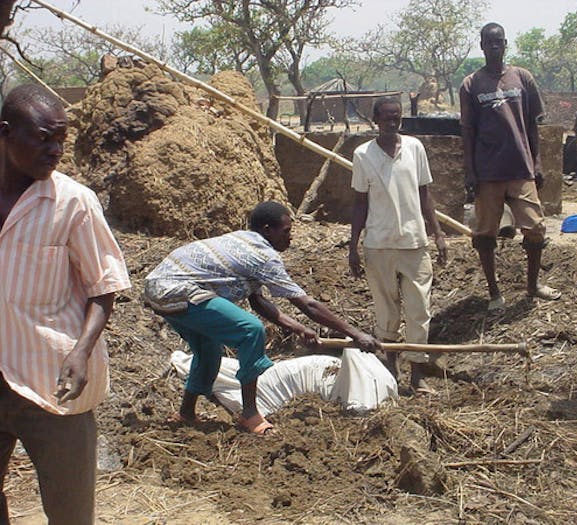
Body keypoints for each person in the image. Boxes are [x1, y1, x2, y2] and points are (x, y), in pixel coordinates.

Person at [0, 84, 131, 524]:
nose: (56, 150)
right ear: (6, 132)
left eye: (62, 139)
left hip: (51, 383)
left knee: (70, 511)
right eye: (44, 138)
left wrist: (81, 351)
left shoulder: (74, 202)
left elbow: (104, 285)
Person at [144, 201, 381, 434]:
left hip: (158, 288)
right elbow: (308, 304)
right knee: (251, 330)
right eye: (286, 231)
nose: (291, 237)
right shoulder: (263, 255)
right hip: (178, 290)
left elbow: (258, 301)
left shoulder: (242, 241)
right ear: (268, 230)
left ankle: (186, 413)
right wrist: (356, 334)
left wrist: (298, 328)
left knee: (208, 350)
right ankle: (249, 414)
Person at [349, 97, 447, 393]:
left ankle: (417, 376)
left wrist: (438, 234)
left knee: (419, 310)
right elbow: (360, 202)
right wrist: (353, 245)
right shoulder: (363, 155)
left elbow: (425, 195)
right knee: (386, 311)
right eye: (387, 117)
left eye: (397, 117)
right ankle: (391, 371)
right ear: (375, 120)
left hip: (414, 243)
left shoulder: (414, 148)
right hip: (378, 245)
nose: (393, 122)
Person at [460, 22, 560, 311]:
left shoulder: (522, 79)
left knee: (536, 228)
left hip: (520, 168)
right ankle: (494, 295)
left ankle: (532, 286)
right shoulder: (470, 84)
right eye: (489, 43)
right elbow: (467, 131)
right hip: (488, 172)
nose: (494, 47)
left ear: (506, 44)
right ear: (481, 46)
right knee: (485, 234)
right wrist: (470, 171)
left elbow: (531, 125)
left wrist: (536, 162)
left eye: (499, 42)